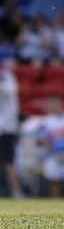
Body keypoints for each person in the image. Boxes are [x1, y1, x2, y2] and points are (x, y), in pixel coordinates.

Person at [0, 53, 23, 197]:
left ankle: (17, 192)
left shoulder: (7, 77)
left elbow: (8, 90)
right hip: (5, 126)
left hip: (6, 127)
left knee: (9, 161)